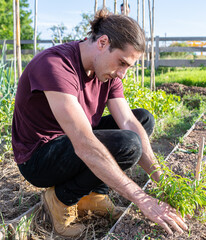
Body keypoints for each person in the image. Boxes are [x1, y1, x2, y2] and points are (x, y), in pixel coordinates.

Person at [12, 9, 187, 238]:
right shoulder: (56, 64)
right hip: (39, 157)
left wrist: (161, 180)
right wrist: (142, 199)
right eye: (121, 63)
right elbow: (84, 143)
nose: (123, 74)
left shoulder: (106, 70)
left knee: (142, 120)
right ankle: (60, 200)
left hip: (71, 142)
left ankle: (94, 196)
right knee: (128, 144)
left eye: (128, 67)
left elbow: (127, 121)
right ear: (103, 43)